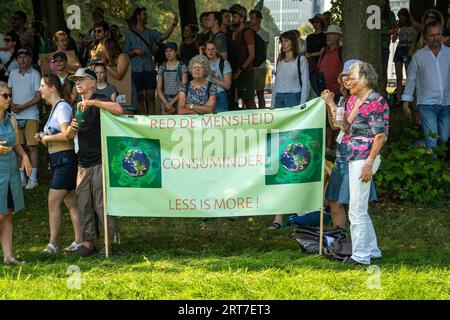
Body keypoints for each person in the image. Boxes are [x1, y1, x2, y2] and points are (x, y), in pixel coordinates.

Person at [66, 68, 123, 257]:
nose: (78, 84)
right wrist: (71, 130)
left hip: (101, 161)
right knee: (84, 204)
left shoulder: (101, 98)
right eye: (75, 81)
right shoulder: (75, 106)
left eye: (81, 80)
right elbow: (69, 135)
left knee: (102, 204)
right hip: (82, 163)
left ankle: (110, 244)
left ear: (92, 82)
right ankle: (88, 243)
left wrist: (94, 103)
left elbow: (119, 109)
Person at [321, 60, 377, 230]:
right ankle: (340, 236)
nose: (345, 79)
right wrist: (330, 105)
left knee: (354, 203)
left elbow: (346, 126)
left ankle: (359, 246)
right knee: (334, 198)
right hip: (343, 151)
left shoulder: (362, 99)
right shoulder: (346, 99)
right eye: (344, 75)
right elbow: (335, 126)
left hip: (354, 154)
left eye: (349, 76)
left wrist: (331, 104)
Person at [343, 62, 389, 265]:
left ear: (364, 79)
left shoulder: (374, 101)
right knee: (360, 207)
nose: (347, 81)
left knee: (356, 209)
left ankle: (360, 257)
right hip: (356, 157)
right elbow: (345, 127)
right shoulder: (355, 99)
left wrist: (369, 163)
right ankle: (372, 251)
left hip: (365, 158)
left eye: (351, 77)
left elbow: (380, 136)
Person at [268, 31, 311, 230]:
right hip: (281, 99)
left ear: (292, 43)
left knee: (294, 142)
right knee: (282, 141)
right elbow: (276, 85)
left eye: (285, 41)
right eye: (282, 41)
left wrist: (302, 107)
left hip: (294, 98)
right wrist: (273, 108)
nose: (283, 44)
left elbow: (305, 84)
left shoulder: (301, 60)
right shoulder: (279, 61)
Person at [36, 73, 82, 254]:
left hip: (65, 160)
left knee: (52, 202)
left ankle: (52, 244)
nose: (40, 89)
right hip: (59, 160)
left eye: (42, 86)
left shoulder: (62, 107)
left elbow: (67, 135)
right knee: (72, 203)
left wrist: (46, 138)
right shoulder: (56, 107)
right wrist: (43, 137)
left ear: (52, 88)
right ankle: (79, 240)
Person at [402, 21, 450, 151]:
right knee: (432, 138)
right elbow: (411, 79)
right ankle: (432, 166)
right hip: (427, 103)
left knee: (444, 138)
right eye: (432, 35)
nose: (436, 38)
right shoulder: (418, 56)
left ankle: (420, 146)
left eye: (438, 34)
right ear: (425, 37)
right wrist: (406, 101)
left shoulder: (448, 53)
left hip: (446, 103)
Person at [0, 81, 32, 266]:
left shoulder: (11, 118)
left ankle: (8, 256)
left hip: (11, 173)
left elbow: (16, 144)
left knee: (8, 213)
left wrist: (25, 156)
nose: (9, 99)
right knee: (0, 215)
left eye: (9, 95)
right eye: (5, 96)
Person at [124, 7, 178, 115]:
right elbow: (125, 54)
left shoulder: (150, 33)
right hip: (136, 69)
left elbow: (163, 36)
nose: (146, 16)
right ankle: (144, 120)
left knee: (150, 96)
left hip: (149, 68)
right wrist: (135, 51)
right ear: (138, 16)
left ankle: (152, 121)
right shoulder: (129, 35)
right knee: (140, 98)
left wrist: (173, 25)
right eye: (144, 14)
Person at [8, 48, 41, 190]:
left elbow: (38, 96)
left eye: (25, 57)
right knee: (18, 147)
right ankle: (21, 178)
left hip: (31, 115)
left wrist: (22, 106)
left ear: (29, 58)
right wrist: (11, 105)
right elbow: (7, 93)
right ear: (16, 60)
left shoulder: (35, 74)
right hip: (15, 114)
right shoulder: (13, 74)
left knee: (32, 146)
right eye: (20, 57)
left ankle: (33, 178)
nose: (23, 60)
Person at [317, 25, 344, 155]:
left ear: (338, 36)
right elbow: (319, 68)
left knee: (338, 119)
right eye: (328, 34)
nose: (329, 37)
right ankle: (328, 147)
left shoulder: (341, 51)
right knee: (326, 121)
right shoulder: (324, 51)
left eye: (333, 34)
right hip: (325, 93)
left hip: (338, 92)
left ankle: (340, 146)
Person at [230, 4, 257, 110]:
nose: (232, 19)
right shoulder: (234, 33)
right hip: (236, 72)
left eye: (235, 17)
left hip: (246, 73)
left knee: (249, 101)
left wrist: (239, 71)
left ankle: (257, 125)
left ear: (241, 19)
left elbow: (252, 56)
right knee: (237, 101)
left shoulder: (247, 32)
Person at [103, 38, 138, 115]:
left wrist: (106, 66)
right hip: (116, 92)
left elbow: (119, 76)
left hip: (126, 91)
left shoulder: (123, 56)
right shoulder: (109, 60)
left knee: (127, 118)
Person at [392, 8, 417, 104]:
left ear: (407, 16)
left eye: (403, 16)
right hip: (399, 50)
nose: (401, 18)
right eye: (400, 16)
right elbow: (393, 40)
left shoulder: (413, 25)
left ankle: (409, 98)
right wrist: (396, 29)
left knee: (409, 75)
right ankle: (398, 99)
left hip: (408, 49)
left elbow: (418, 35)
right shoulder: (398, 26)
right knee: (399, 76)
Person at [157, 42, 188, 115]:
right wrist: (166, 103)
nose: (168, 53)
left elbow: (184, 88)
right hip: (165, 101)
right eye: (166, 51)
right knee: (165, 124)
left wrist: (172, 102)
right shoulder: (162, 67)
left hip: (179, 100)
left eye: (171, 51)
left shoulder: (182, 66)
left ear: (176, 52)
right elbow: (159, 89)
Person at [249, 9, 269, 109]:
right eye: (250, 17)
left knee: (260, 93)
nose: (250, 20)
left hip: (260, 66)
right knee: (248, 94)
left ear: (259, 19)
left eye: (253, 18)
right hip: (249, 66)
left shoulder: (264, 33)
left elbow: (263, 50)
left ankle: (262, 112)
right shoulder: (247, 32)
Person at [205, 41, 232, 113]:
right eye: (208, 49)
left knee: (221, 121)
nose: (211, 51)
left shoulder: (224, 63)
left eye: (213, 49)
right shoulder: (203, 64)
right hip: (206, 96)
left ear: (216, 50)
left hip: (220, 95)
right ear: (205, 51)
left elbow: (227, 86)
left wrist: (213, 78)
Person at [379, 0, 396, 89]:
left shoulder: (390, 14)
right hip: (373, 46)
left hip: (384, 45)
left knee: (383, 69)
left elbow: (393, 30)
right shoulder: (372, 12)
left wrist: (381, 32)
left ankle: (383, 90)